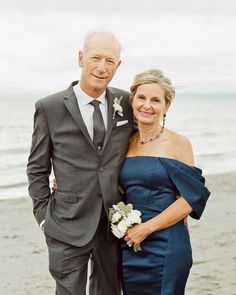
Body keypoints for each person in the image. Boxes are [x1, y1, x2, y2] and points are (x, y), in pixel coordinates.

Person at [26, 30, 134, 295]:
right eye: (95, 58)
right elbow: (37, 167)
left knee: (109, 291)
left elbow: (145, 147)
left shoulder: (127, 103)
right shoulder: (49, 107)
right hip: (65, 223)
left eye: (110, 61)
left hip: (113, 224)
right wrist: (43, 216)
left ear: (117, 66)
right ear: (81, 58)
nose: (101, 67)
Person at [119, 69, 211, 295]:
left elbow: (191, 198)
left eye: (155, 100)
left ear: (166, 106)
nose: (146, 105)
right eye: (141, 98)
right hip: (130, 245)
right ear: (132, 100)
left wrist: (146, 228)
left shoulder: (178, 143)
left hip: (166, 244)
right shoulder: (123, 142)